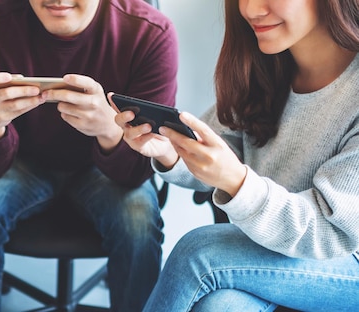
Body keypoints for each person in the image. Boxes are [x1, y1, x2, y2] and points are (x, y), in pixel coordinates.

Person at [109, 0, 359, 310]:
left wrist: (237, 182)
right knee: (221, 305)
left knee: (199, 251)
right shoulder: (268, 68)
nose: (251, 9)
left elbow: (329, 232)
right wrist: (171, 153)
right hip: (267, 249)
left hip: (345, 261)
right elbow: (222, 150)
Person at [0, 0, 178, 310]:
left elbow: (139, 171)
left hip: (106, 171)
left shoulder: (150, 34)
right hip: (22, 162)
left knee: (138, 214)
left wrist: (109, 131)